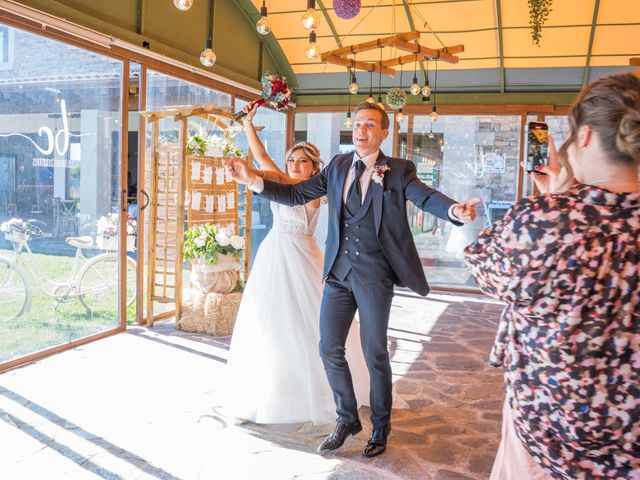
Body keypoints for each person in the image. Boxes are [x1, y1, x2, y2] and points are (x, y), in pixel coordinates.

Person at [226, 102, 478, 457]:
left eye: (370, 124)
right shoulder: (337, 166)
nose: (361, 130)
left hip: (375, 277)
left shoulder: (399, 170)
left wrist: (453, 210)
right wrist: (252, 180)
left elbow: (424, 197)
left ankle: (380, 427)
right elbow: (297, 193)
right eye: (357, 124)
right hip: (338, 276)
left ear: (383, 132)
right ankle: (347, 418)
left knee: (375, 353)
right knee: (328, 348)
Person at [464, 73, 640, 479]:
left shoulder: (547, 221)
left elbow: (483, 267)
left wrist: (556, 201)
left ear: (585, 137)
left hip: (552, 430)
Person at [225, 104, 369, 425]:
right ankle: (277, 384)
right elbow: (261, 157)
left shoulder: (318, 191)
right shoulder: (281, 180)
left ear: (313, 167)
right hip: (275, 253)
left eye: (301, 161)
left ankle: (320, 386)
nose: (293, 165)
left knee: (311, 318)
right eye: (291, 159)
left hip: (304, 255)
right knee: (272, 318)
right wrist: (248, 124)